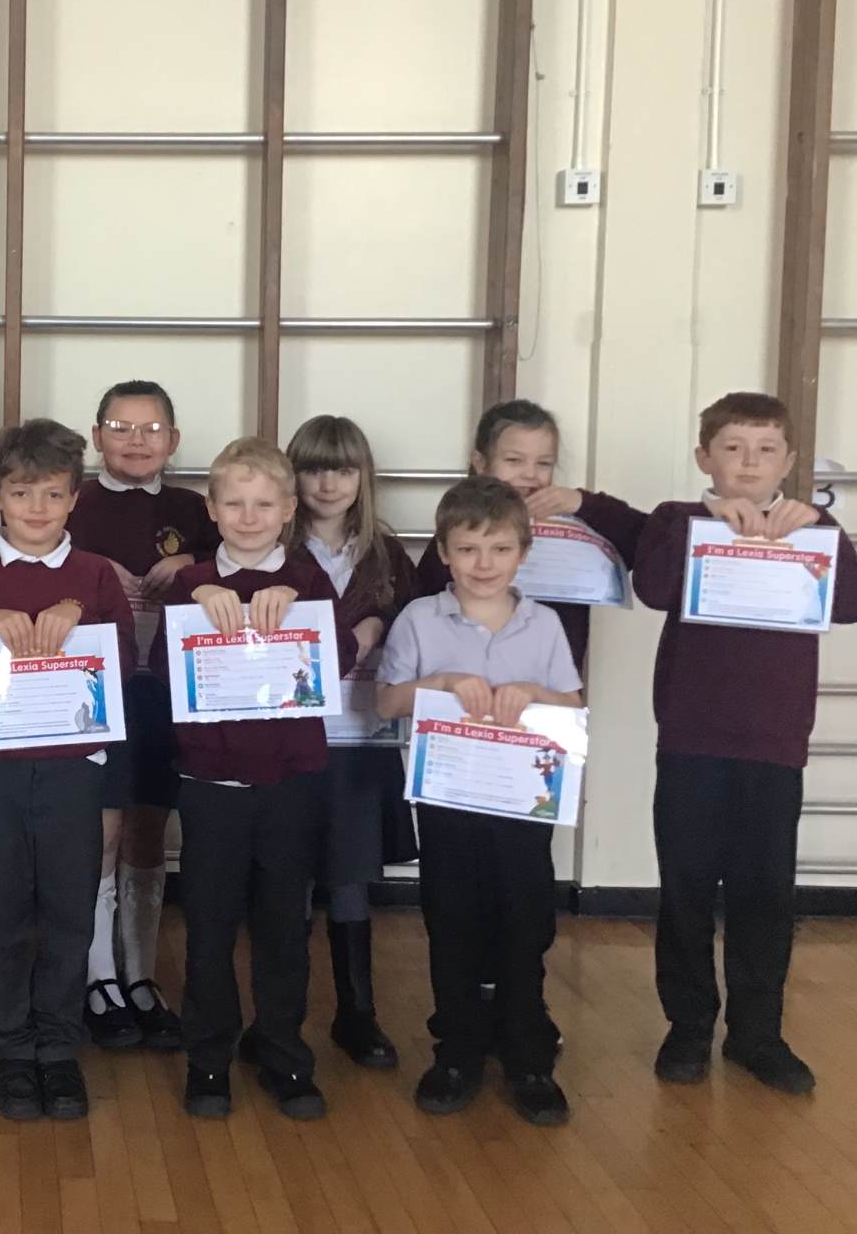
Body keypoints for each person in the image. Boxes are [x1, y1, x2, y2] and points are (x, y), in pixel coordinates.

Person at [632, 392, 857, 1094]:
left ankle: (757, 1034)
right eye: (733, 448)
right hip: (691, 737)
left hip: (773, 741)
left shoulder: (811, 528)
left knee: (764, 891)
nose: (748, 463)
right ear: (704, 457)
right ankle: (687, 1027)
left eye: (766, 450)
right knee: (685, 886)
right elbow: (652, 588)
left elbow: (855, 604)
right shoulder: (677, 520)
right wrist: (709, 525)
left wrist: (820, 526)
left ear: (788, 462)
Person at [0, 419, 135, 1123]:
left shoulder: (95, 576)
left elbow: (126, 664)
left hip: (73, 770)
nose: (38, 507)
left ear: (75, 497)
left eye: (53, 493)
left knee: (68, 908)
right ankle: (9, 1044)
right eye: (22, 492)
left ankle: (57, 1042)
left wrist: (80, 619)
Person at [377, 475, 585, 1126]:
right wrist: (438, 682)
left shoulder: (544, 624)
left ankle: (528, 1058)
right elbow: (385, 702)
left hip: (523, 808)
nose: (484, 563)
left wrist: (536, 694)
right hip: (448, 804)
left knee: (525, 926)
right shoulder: (419, 618)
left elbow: (573, 705)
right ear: (443, 552)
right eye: (467, 549)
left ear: (523, 552)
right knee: (453, 925)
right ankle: (457, 1054)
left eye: (499, 549)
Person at [162, 438, 351, 1121]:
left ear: (289, 509)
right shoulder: (188, 584)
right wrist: (201, 596)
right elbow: (164, 669)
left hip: (290, 784)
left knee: (283, 928)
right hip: (211, 784)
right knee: (209, 928)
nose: (249, 517)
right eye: (235, 503)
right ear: (212, 509)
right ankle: (208, 1059)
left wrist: (296, 604)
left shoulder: (307, 580)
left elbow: (342, 657)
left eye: (264, 504)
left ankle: (282, 1054)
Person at [64, 379, 217, 1051]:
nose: (135, 440)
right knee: (103, 829)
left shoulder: (196, 509)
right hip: (93, 692)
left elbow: (238, 562)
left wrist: (191, 563)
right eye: (121, 427)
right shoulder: (71, 501)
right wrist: (92, 573)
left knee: (150, 831)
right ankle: (97, 976)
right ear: (97, 435)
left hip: (168, 690)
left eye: (151, 429)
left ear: (173, 440)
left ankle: (140, 975)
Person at [285, 414, 420, 1070]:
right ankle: (279, 1017)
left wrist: (381, 630)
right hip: (287, 740)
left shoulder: (387, 554)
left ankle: (357, 1013)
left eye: (342, 469)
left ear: (363, 477)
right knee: (282, 880)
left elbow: (420, 630)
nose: (328, 483)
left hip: (361, 739)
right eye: (313, 468)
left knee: (349, 880)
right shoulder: (271, 547)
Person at [415, 399, 645, 670]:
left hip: (551, 682)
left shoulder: (576, 520)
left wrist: (583, 503)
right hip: (463, 679)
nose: (530, 474)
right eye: (514, 461)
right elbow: (425, 596)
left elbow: (648, 542)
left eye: (544, 463)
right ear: (480, 462)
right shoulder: (461, 524)